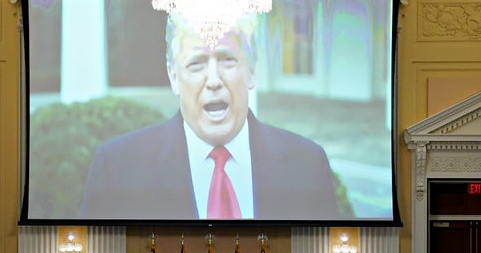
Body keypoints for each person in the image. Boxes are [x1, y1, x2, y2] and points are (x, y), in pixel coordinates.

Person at [80, 13, 342, 221]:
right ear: (174, 77)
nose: (214, 81)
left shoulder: (307, 164)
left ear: (252, 71)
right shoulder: (115, 167)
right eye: (196, 64)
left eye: (227, 60)